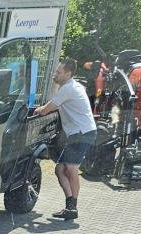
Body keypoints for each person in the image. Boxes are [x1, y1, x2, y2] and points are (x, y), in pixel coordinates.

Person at [32, 58, 96, 222]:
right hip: (80, 133)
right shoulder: (69, 87)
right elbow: (56, 100)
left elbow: (47, 109)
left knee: (71, 169)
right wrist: (55, 82)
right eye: (55, 71)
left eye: (58, 72)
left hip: (81, 133)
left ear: (68, 73)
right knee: (60, 169)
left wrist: (33, 111)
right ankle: (70, 206)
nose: (55, 74)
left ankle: (73, 207)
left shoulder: (69, 89)